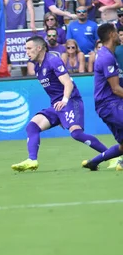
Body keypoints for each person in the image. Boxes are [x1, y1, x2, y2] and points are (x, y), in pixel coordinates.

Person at [12, 36, 108, 171]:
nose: (27, 52)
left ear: (39, 48)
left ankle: (114, 157)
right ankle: (32, 160)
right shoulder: (37, 67)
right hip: (57, 105)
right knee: (32, 126)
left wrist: (64, 101)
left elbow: (68, 83)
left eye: (29, 48)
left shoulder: (53, 61)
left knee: (77, 134)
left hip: (70, 100)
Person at [82, 23, 123, 171]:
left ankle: (94, 162)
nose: (119, 35)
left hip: (109, 105)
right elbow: (116, 89)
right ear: (112, 34)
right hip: (110, 105)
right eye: (117, 32)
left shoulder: (108, 54)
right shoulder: (106, 57)